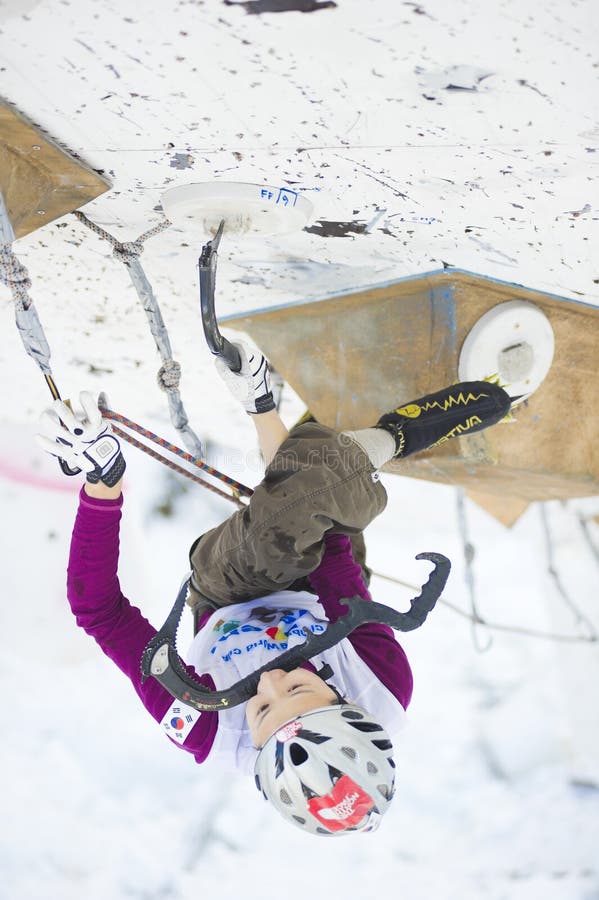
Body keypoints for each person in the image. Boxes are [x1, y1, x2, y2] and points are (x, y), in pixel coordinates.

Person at [37, 343, 512, 836]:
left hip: (228, 591)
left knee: (292, 519)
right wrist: (290, 455)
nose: (268, 681)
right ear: (345, 700)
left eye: (260, 709)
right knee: (317, 503)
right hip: (329, 603)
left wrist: (102, 484)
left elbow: (99, 611)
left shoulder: (203, 726)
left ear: (255, 746)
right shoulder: (383, 685)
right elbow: (332, 552)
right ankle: (349, 438)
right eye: (300, 687)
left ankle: (372, 439)